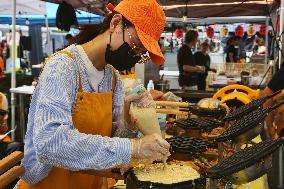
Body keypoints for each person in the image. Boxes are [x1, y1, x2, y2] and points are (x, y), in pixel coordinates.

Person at [17, 1, 170, 189]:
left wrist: (129, 121)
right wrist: (135, 147)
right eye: (136, 45)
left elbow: (111, 143)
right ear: (115, 23)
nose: (136, 56)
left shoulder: (111, 77)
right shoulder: (63, 67)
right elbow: (50, 143)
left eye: (142, 53)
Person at [0, 93, 23, 160]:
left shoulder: (1, 97)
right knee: (18, 147)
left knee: (19, 148)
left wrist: (2, 121)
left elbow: (4, 129)